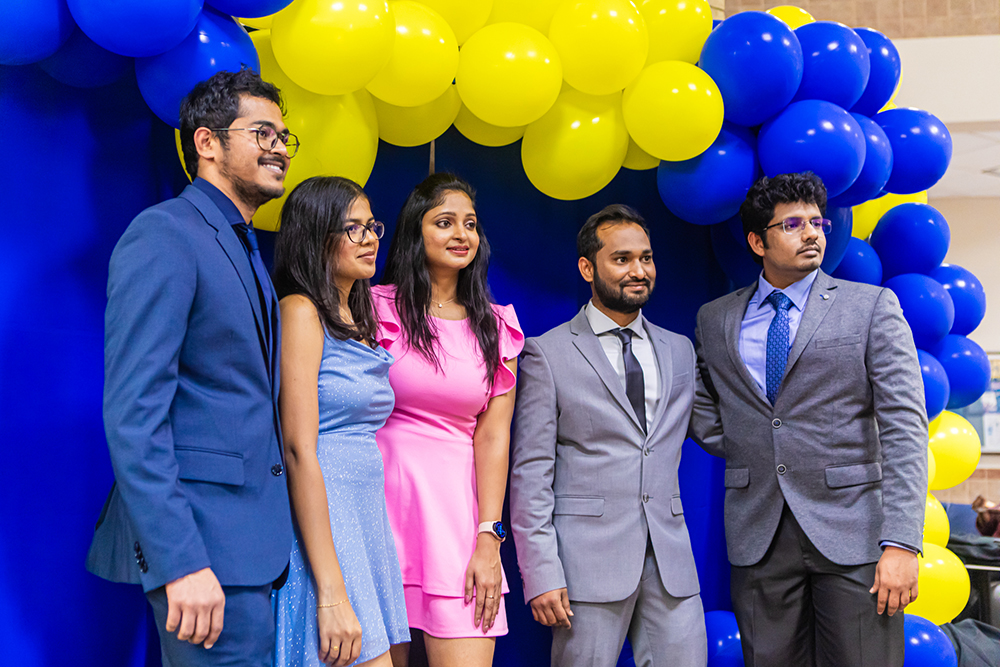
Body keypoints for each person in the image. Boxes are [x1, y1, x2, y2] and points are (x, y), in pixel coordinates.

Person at [86, 68, 296, 666]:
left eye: (285, 136)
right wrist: (180, 559)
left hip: (247, 547)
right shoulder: (165, 234)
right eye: (263, 133)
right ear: (207, 143)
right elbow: (134, 414)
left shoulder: (241, 243)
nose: (279, 147)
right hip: (201, 548)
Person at [689, 172, 928, 667]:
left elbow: (905, 427)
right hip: (759, 535)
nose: (813, 232)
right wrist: (744, 444)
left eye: (816, 222)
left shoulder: (870, 307)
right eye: (792, 224)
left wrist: (903, 542)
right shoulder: (715, 319)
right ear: (758, 241)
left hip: (855, 534)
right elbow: (702, 403)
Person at [510, 204, 707, 667]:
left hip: (671, 562)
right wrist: (540, 572)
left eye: (646, 257)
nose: (639, 270)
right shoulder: (548, 353)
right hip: (585, 567)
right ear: (587, 267)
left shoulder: (680, 350)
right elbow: (531, 473)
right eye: (622, 259)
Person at [371, 173, 523, 667]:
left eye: (470, 224)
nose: (461, 234)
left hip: (458, 525)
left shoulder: (498, 327)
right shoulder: (374, 308)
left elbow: (494, 436)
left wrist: (489, 537)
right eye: (445, 222)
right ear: (416, 231)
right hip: (376, 513)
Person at [272, 176, 410, 667]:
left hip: (365, 521)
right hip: (324, 527)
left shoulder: (358, 314)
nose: (372, 238)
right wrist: (330, 589)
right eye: (353, 229)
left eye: (372, 225)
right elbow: (297, 449)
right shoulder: (300, 311)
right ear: (315, 236)